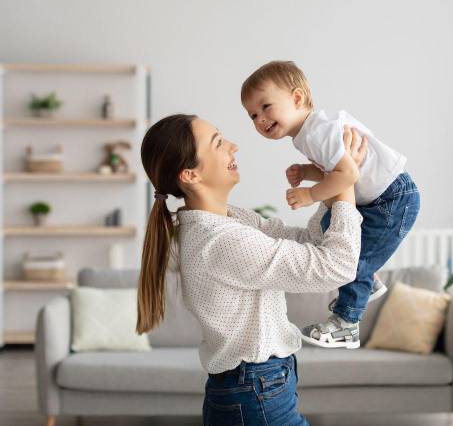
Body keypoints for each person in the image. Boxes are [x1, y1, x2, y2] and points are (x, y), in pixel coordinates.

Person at [136, 113, 367, 426]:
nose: (233, 146)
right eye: (218, 143)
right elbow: (336, 267)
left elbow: (308, 241)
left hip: (255, 389)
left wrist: (332, 181)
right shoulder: (221, 241)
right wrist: (345, 183)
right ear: (190, 175)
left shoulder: (230, 220)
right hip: (256, 393)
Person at [241, 61, 420, 349]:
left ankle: (347, 323)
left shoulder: (316, 133)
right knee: (330, 226)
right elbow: (336, 169)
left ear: (297, 98)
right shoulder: (309, 134)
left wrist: (310, 194)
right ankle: (368, 281)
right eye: (252, 115)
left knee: (348, 262)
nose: (260, 118)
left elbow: (348, 174)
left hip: (391, 198)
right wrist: (307, 171)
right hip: (378, 197)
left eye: (265, 106)